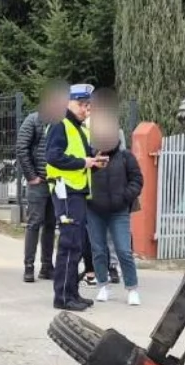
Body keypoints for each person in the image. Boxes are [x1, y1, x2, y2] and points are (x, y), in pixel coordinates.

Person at [45, 83, 108, 312]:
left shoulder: (80, 130)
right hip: (65, 191)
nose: (85, 109)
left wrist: (95, 161)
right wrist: (84, 162)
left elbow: (81, 158)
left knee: (77, 244)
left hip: (77, 191)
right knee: (69, 244)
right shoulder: (59, 125)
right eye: (82, 104)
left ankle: (72, 292)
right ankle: (62, 297)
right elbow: (53, 157)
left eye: (88, 105)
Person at [85, 112, 144, 305]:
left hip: (118, 210)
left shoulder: (126, 157)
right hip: (94, 209)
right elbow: (81, 178)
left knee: (123, 250)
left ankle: (132, 288)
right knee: (99, 249)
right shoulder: (90, 157)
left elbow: (137, 180)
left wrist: (124, 197)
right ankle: (103, 285)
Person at [15, 81, 69, 282]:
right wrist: (31, 176)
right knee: (34, 224)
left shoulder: (62, 123)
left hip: (56, 182)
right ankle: (29, 267)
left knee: (50, 224)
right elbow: (21, 148)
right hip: (38, 183)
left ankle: (47, 266)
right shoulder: (33, 120)